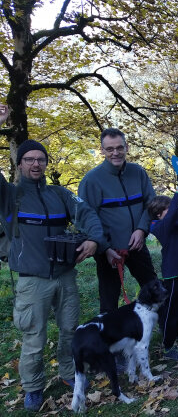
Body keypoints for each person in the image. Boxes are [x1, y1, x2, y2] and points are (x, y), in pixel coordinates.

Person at [1, 140, 106, 411]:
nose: (36, 164)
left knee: (70, 329)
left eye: (41, 159)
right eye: (29, 159)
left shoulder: (60, 194)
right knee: (34, 336)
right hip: (31, 279)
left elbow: (86, 213)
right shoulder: (10, 196)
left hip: (65, 275)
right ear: (19, 163)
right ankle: (33, 387)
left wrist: (94, 239)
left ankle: (69, 372)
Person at [79, 128, 157, 313]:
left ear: (126, 147)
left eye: (119, 148)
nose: (115, 153)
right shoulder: (92, 180)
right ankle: (109, 339)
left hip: (137, 245)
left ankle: (168, 332)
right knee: (109, 297)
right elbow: (84, 218)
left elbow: (151, 204)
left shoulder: (138, 173)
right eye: (110, 149)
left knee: (154, 288)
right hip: (109, 251)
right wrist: (104, 248)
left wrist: (141, 230)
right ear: (102, 151)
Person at [147, 174, 178, 360]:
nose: (173, 210)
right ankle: (168, 347)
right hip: (172, 275)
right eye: (168, 209)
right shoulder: (159, 226)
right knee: (171, 310)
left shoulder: (174, 220)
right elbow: (175, 209)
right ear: (159, 214)